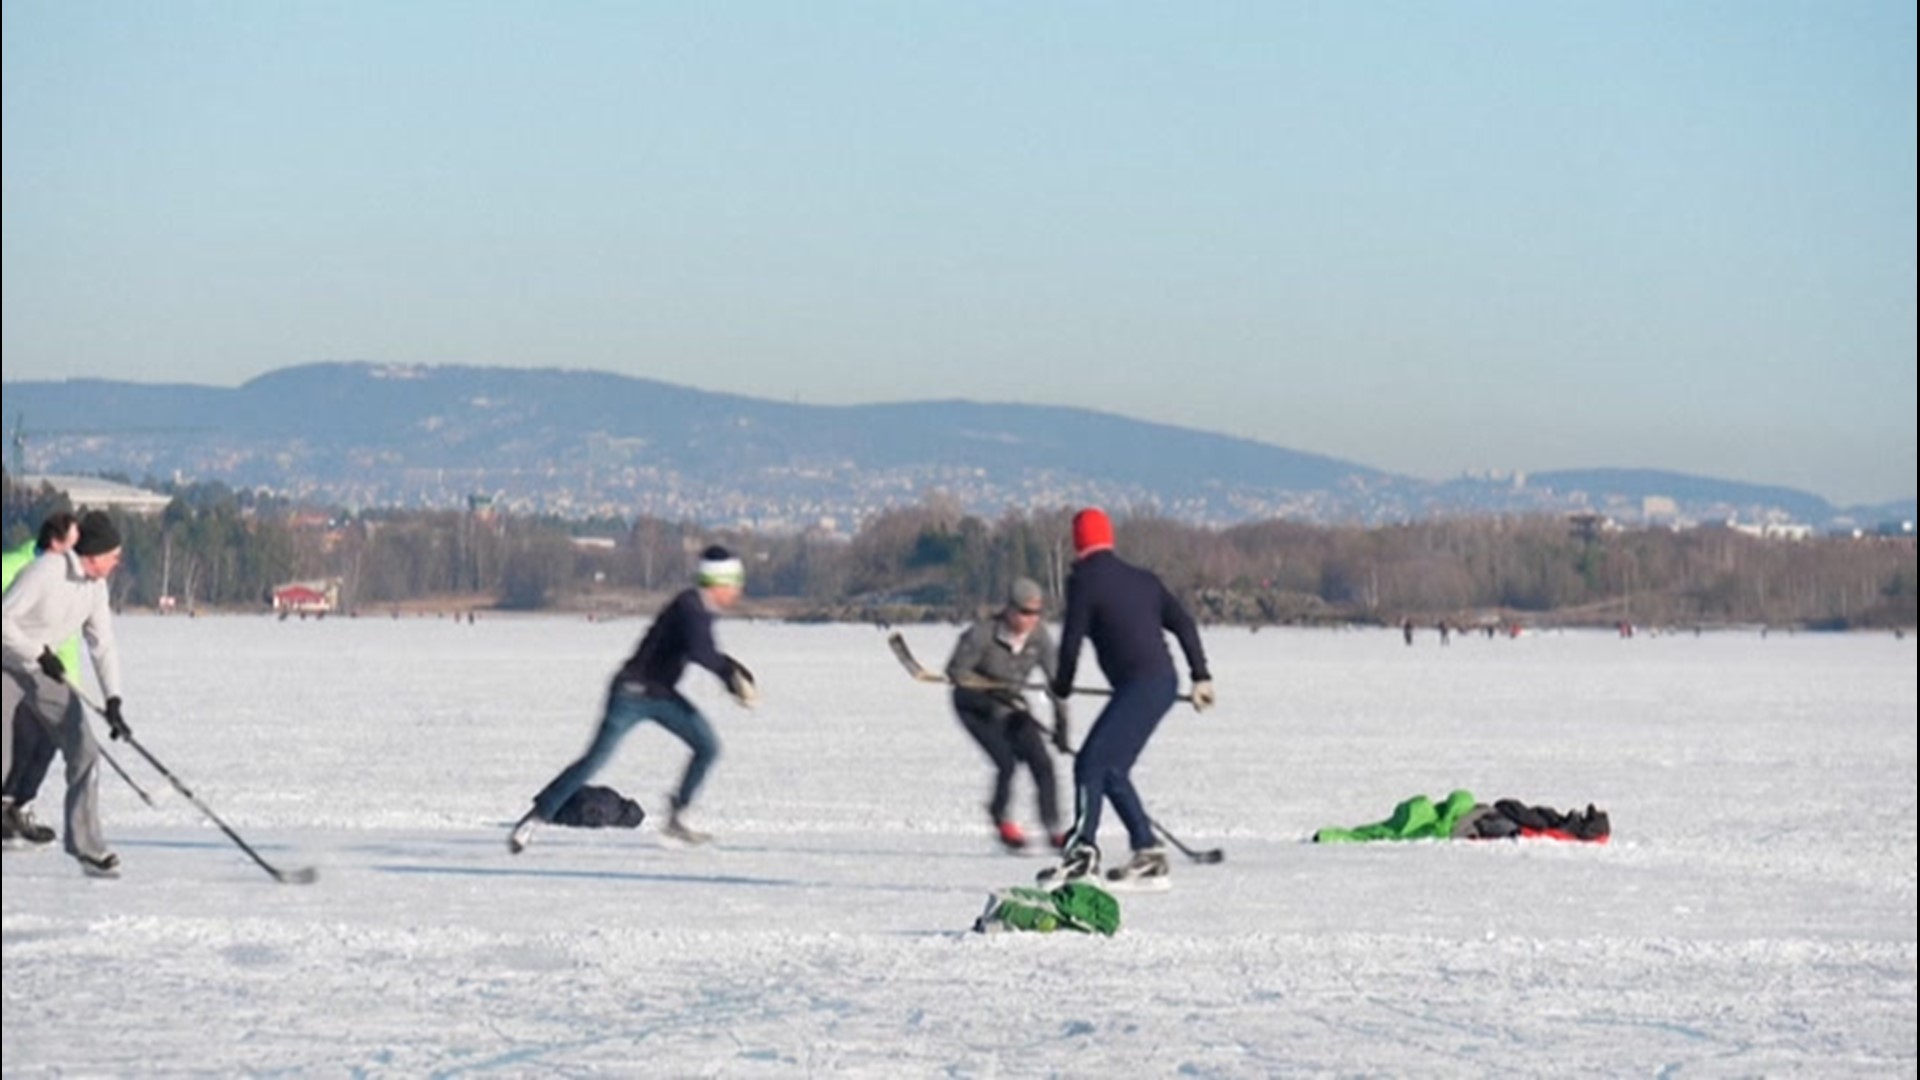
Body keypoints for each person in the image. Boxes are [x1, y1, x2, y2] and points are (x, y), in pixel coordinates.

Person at [509, 545, 758, 853]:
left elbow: (702, 649)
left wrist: (730, 672)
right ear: (718, 583)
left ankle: (677, 817)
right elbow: (700, 650)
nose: (737, 591)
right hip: (630, 694)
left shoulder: (700, 608)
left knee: (707, 746)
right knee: (595, 760)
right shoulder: (690, 606)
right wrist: (731, 676)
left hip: (662, 695)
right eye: (734, 583)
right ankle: (535, 818)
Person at [1040, 508, 1214, 888]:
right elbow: (1183, 623)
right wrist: (1200, 676)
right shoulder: (1143, 579)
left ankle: (1081, 851)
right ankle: (1148, 851)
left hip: (1140, 685)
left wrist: (1062, 685)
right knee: (1112, 769)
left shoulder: (1084, 580)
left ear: (1077, 540)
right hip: (1161, 684)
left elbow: (1071, 642)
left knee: (1089, 764)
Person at [0, 510, 133, 877]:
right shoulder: (47, 572)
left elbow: (102, 644)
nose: (118, 562)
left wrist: (114, 701)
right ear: (93, 554)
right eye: (114, 556)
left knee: (84, 750)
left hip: (42, 671)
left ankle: (86, 846)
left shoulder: (96, 588)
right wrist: (38, 652)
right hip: (7, 663)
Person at [945, 577, 1069, 852]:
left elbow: (1056, 684)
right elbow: (956, 672)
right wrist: (989, 689)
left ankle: (1053, 828)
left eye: (1036, 613)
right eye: (1025, 612)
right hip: (974, 705)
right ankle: (1000, 818)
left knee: (1042, 763)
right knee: (1007, 763)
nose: (1030, 619)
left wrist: (1062, 725)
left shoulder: (1039, 638)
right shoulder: (982, 634)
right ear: (1010, 610)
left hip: (1011, 705)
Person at [1, 511, 81, 848]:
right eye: (72, 546)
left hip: (53, 673)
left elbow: (70, 637)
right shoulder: (14, 566)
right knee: (20, 740)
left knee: (47, 742)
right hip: (16, 670)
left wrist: (70, 680)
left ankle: (20, 806)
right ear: (55, 542)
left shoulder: (70, 579)